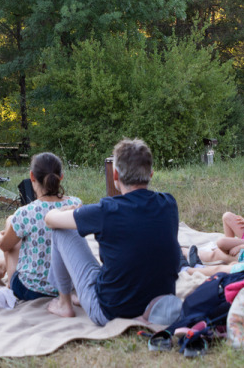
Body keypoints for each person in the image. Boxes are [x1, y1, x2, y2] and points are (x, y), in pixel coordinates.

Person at [44, 138, 181, 325]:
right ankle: (81, 296)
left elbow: (50, 220)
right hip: (159, 304)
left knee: (60, 230)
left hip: (112, 311)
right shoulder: (169, 203)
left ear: (115, 175)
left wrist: (63, 211)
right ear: (151, 174)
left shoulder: (106, 210)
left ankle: (63, 303)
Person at [0, 152, 81, 300]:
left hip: (31, 290)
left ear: (32, 176)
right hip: (67, 287)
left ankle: (10, 282)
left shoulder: (25, 213)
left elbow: (4, 246)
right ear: (61, 176)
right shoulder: (76, 204)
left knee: (11, 221)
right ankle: (5, 266)